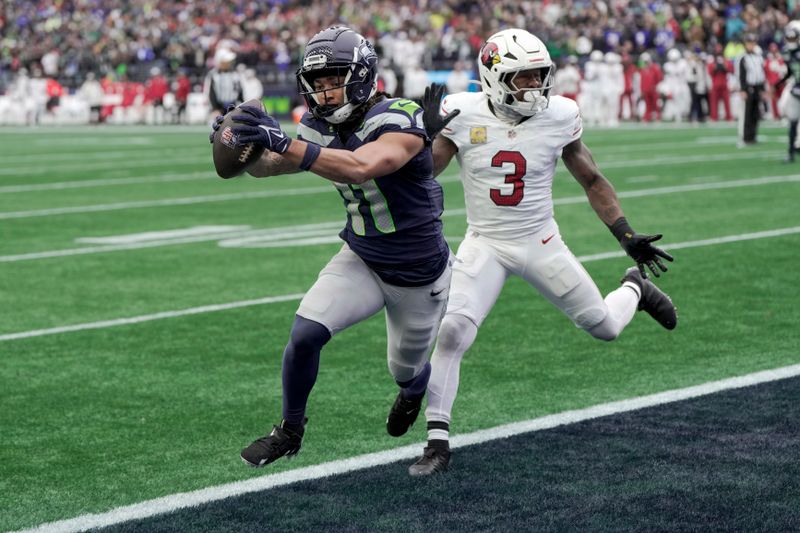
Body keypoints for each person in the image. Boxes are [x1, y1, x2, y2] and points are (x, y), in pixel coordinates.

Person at [407, 29, 677, 476]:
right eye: (523, 77)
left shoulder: (559, 115)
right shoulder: (460, 113)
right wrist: (423, 136)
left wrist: (625, 236)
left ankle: (634, 289)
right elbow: (423, 174)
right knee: (453, 330)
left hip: (539, 240)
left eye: (539, 75)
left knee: (605, 327)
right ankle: (437, 441)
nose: (535, 86)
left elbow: (591, 179)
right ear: (494, 78)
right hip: (486, 242)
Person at [212, 26, 452, 467]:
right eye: (317, 84)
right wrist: (240, 146)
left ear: (361, 75)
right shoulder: (317, 125)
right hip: (362, 256)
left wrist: (285, 141)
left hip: (418, 272)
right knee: (305, 335)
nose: (324, 93)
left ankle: (414, 391)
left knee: (406, 369)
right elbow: (271, 167)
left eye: (333, 80)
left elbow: (363, 167)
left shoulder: (400, 115)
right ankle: (289, 430)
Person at [736, 33, 766, 147]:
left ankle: (753, 136)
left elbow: (760, 74)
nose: (751, 45)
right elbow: (741, 74)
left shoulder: (758, 57)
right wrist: (743, 89)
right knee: (746, 114)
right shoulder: (743, 57)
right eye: (749, 43)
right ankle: (745, 137)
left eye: (753, 43)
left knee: (755, 113)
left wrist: (762, 88)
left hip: (757, 87)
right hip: (748, 87)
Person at [776, 21, 800, 163]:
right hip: (796, 90)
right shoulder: (787, 53)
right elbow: (790, 72)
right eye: (789, 39)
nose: (791, 42)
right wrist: (778, 83)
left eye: (793, 39)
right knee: (792, 122)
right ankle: (790, 152)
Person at [204, 47, 243, 116]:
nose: (230, 63)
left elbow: (239, 92)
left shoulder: (235, 74)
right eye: (227, 61)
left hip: (233, 107)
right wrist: (214, 108)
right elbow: (210, 93)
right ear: (220, 62)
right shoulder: (213, 75)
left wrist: (242, 106)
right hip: (219, 109)